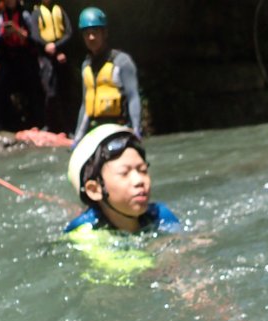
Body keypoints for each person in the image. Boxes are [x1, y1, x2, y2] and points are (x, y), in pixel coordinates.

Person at [64, 125, 179, 285]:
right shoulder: (86, 235)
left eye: (143, 170)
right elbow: (123, 273)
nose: (139, 181)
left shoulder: (160, 215)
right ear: (94, 190)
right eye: (124, 173)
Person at [73, 7, 141, 143]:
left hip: (119, 129)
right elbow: (85, 105)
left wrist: (136, 130)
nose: (91, 37)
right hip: (95, 132)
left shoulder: (121, 61)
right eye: (87, 34)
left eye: (95, 32)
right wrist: (77, 140)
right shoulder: (86, 66)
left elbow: (133, 96)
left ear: (104, 33)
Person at [0, 0, 44, 130]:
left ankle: (37, 121)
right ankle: (5, 122)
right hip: (8, 58)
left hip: (24, 56)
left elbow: (33, 38)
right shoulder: (1, 16)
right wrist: (5, 34)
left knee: (31, 88)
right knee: (2, 87)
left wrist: (17, 30)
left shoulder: (24, 14)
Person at [31, 0, 73, 134]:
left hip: (61, 53)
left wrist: (57, 47)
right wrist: (47, 46)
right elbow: (35, 35)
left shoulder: (60, 10)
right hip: (46, 56)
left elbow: (69, 32)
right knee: (50, 92)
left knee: (65, 92)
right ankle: (49, 125)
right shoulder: (36, 12)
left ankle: (68, 127)